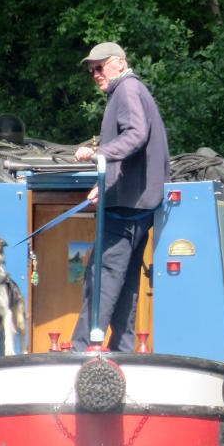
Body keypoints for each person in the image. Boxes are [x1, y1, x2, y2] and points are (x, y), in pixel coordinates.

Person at [71, 42, 170, 352]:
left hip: (126, 211)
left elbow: (136, 134)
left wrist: (100, 155)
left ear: (119, 63)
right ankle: (124, 352)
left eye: (100, 68)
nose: (96, 74)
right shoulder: (133, 90)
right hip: (139, 207)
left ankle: (82, 349)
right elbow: (136, 153)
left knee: (99, 277)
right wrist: (107, 183)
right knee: (126, 284)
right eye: (92, 71)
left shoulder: (126, 90)